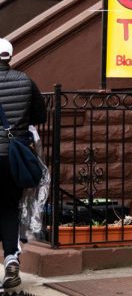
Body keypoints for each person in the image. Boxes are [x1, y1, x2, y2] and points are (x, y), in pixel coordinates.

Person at [0, 38, 46, 290]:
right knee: (8, 207)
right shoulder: (25, 80)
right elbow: (40, 115)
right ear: (10, 56)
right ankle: (10, 258)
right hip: (13, 157)